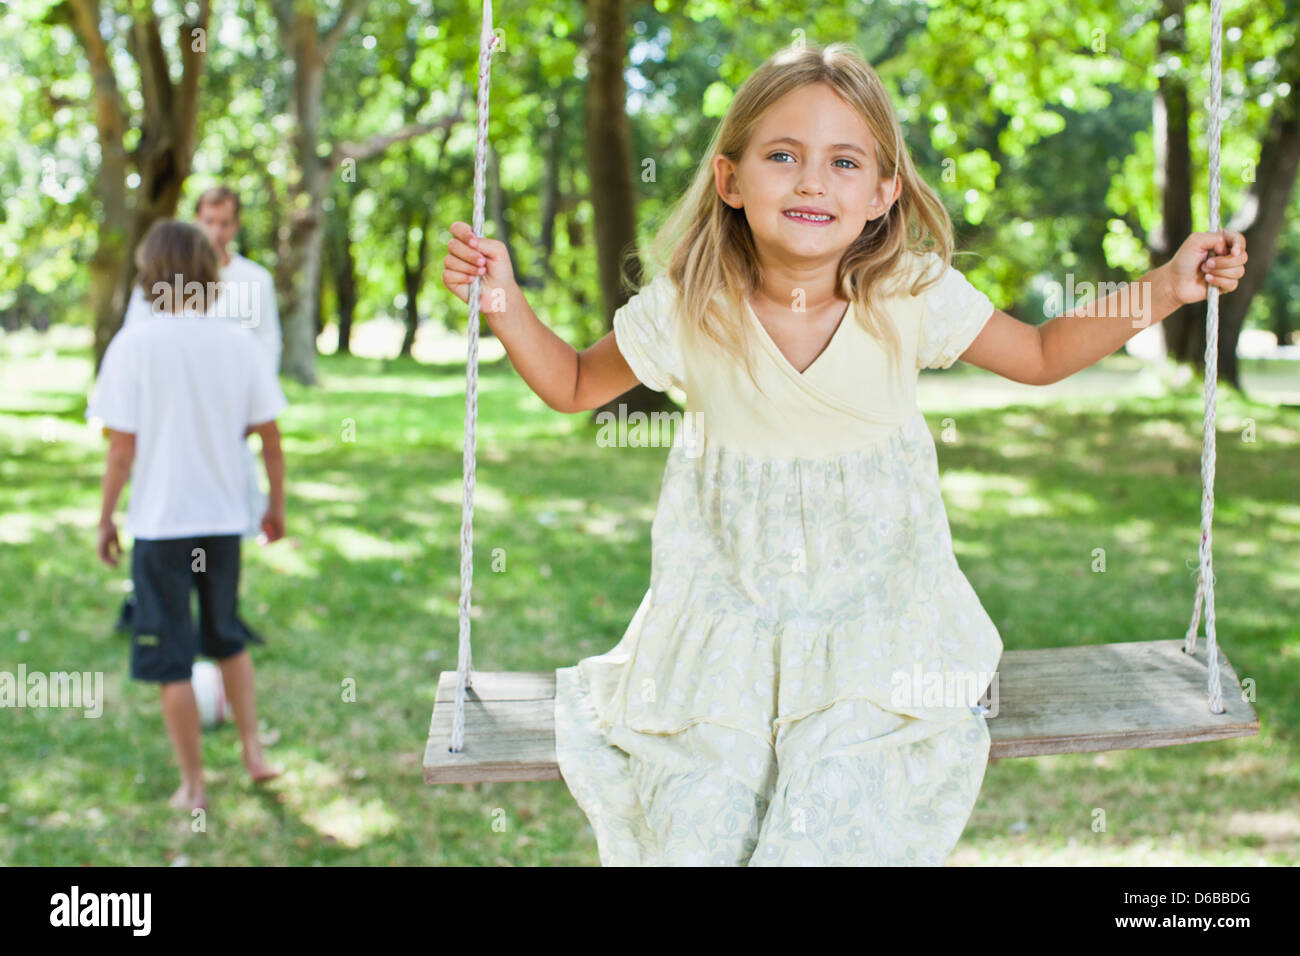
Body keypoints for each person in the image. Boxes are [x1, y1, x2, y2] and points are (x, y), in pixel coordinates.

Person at [441, 43, 1248, 866]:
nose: (811, 181)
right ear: (730, 180)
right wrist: (502, 302)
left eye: (844, 161)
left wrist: (1167, 286)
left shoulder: (911, 295)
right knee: (697, 819)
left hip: (881, 631)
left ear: (883, 193)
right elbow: (575, 382)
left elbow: (1041, 354)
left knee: (833, 819)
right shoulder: (693, 309)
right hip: (726, 635)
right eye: (782, 155)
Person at [90, 219, 288, 812]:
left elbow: (120, 449)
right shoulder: (238, 343)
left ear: (151, 273)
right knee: (227, 635)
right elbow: (271, 440)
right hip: (224, 520)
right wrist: (275, 506)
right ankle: (254, 754)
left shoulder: (133, 346)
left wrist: (105, 518)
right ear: (210, 270)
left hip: (160, 525)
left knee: (171, 658)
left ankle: (194, 787)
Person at [114, 185, 282, 634]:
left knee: (225, 508)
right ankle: (149, 604)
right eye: (209, 220)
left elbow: (266, 348)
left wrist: (247, 411)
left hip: (225, 417)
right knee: (160, 505)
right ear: (197, 219)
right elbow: (137, 341)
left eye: (225, 222)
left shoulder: (254, 282)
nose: (217, 230)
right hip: (166, 418)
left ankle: (220, 614)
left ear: (236, 224)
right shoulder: (155, 292)